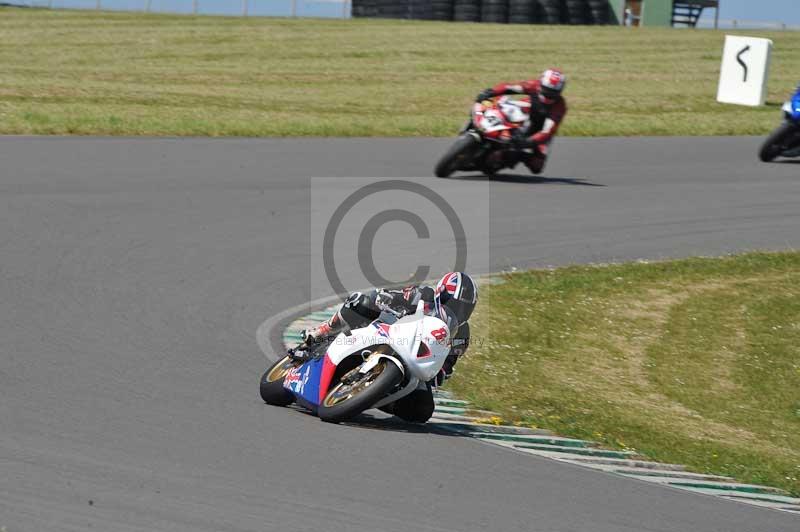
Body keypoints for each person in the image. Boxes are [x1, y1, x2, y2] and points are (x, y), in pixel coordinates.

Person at [294, 272, 478, 423]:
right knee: (360, 302)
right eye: (455, 304)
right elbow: (386, 295)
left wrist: (439, 372)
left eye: (464, 308)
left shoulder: (462, 334)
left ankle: (376, 397)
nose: (458, 311)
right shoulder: (422, 295)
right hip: (384, 331)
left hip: (413, 361)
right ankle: (319, 332)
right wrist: (385, 298)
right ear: (441, 294)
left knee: (422, 411)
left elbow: (447, 365)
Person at [475, 68, 567, 175]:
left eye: (553, 93)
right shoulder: (534, 85)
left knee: (537, 166)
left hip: (540, 130)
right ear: (541, 84)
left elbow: (547, 131)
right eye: (546, 90)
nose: (549, 94)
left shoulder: (559, 106)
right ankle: (482, 122)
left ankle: (513, 157)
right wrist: (491, 92)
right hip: (525, 112)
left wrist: (529, 142)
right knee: (499, 104)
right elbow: (509, 87)